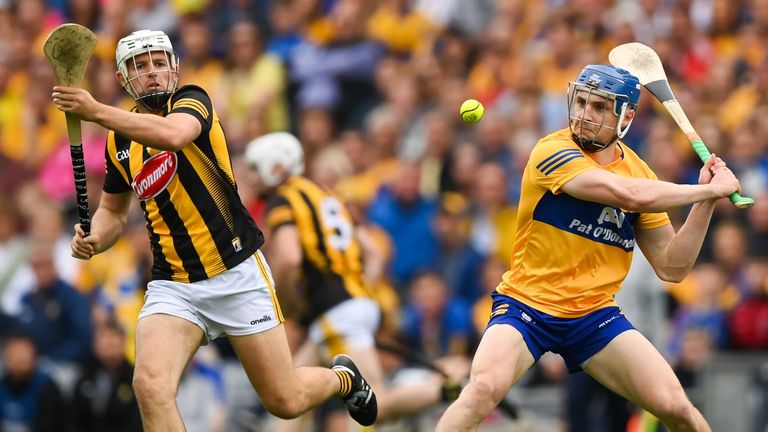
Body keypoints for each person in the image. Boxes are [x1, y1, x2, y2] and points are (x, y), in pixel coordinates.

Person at [51, 29, 377, 431]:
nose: (151, 72)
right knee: (150, 385)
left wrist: (95, 110)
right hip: (175, 285)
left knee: (286, 400)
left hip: (235, 272)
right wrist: (94, 238)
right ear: (122, 79)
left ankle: (344, 378)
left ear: (174, 67)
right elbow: (113, 212)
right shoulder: (120, 138)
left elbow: (173, 136)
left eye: (158, 62)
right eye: (139, 65)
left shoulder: (192, 101)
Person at [435, 64, 742, 432]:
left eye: (598, 107)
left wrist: (705, 202)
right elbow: (622, 193)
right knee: (482, 390)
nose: (584, 114)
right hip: (528, 305)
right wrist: (707, 190)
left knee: (676, 407)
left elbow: (673, 267)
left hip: (594, 316)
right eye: (580, 101)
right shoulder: (552, 150)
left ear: (626, 116)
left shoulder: (641, 173)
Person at [243, 132, 466, 429]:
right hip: (345, 308)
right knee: (289, 396)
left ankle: (450, 390)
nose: (251, 176)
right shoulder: (326, 196)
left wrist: (285, 304)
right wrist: (359, 295)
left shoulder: (283, 198)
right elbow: (374, 252)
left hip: (335, 312)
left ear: (276, 166)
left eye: (256, 168)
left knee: (376, 404)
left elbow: (289, 257)